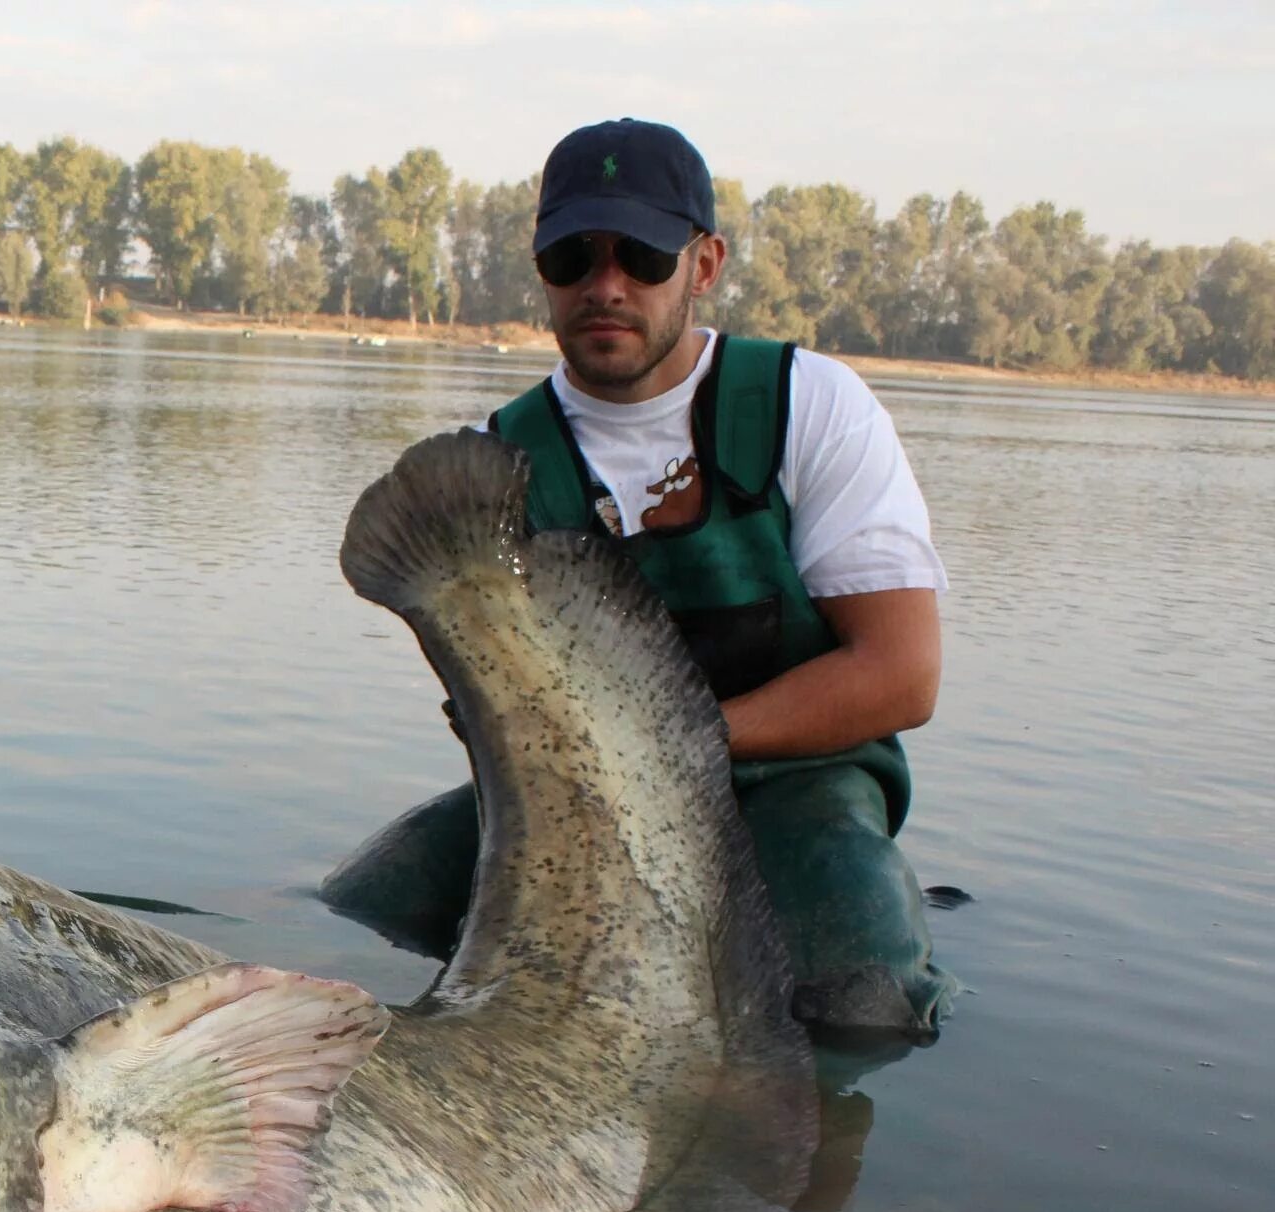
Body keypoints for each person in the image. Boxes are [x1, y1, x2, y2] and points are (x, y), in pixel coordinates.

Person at [322, 117, 955, 1041]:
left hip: (798, 788)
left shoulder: (809, 407)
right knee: (376, 906)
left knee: (861, 1002)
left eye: (644, 256)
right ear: (541, 267)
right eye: (573, 256)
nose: (605, 286)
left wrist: (679, 747)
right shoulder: (501, 459)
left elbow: (902, 675)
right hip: (580, 798)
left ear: (704, 264)